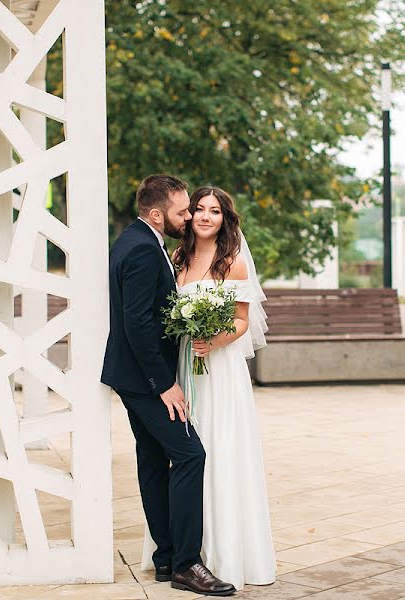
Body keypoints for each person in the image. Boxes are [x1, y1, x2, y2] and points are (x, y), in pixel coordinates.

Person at [101, 174, 236, 597]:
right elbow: (137, 323)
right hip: (146, 381)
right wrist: (165, 385)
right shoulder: (142, 249)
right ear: (157, 213)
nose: (189, 216)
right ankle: (186, 564)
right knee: (190, 454)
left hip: (132, 377)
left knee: (155, 462)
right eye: (182, 211)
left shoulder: (136, 241)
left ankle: (165, 560)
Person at [140, 186, 276, 591]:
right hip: (183, 364)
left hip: (219, 367)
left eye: (213, 211)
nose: (204, 216)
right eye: (198, 209)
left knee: (220, 448)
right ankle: (181, 550)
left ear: (224, 219)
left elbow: (241, 321)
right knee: (184, 453)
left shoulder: (231, 263)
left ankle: (222, 552)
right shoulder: (176, 258)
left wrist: (213, 340)